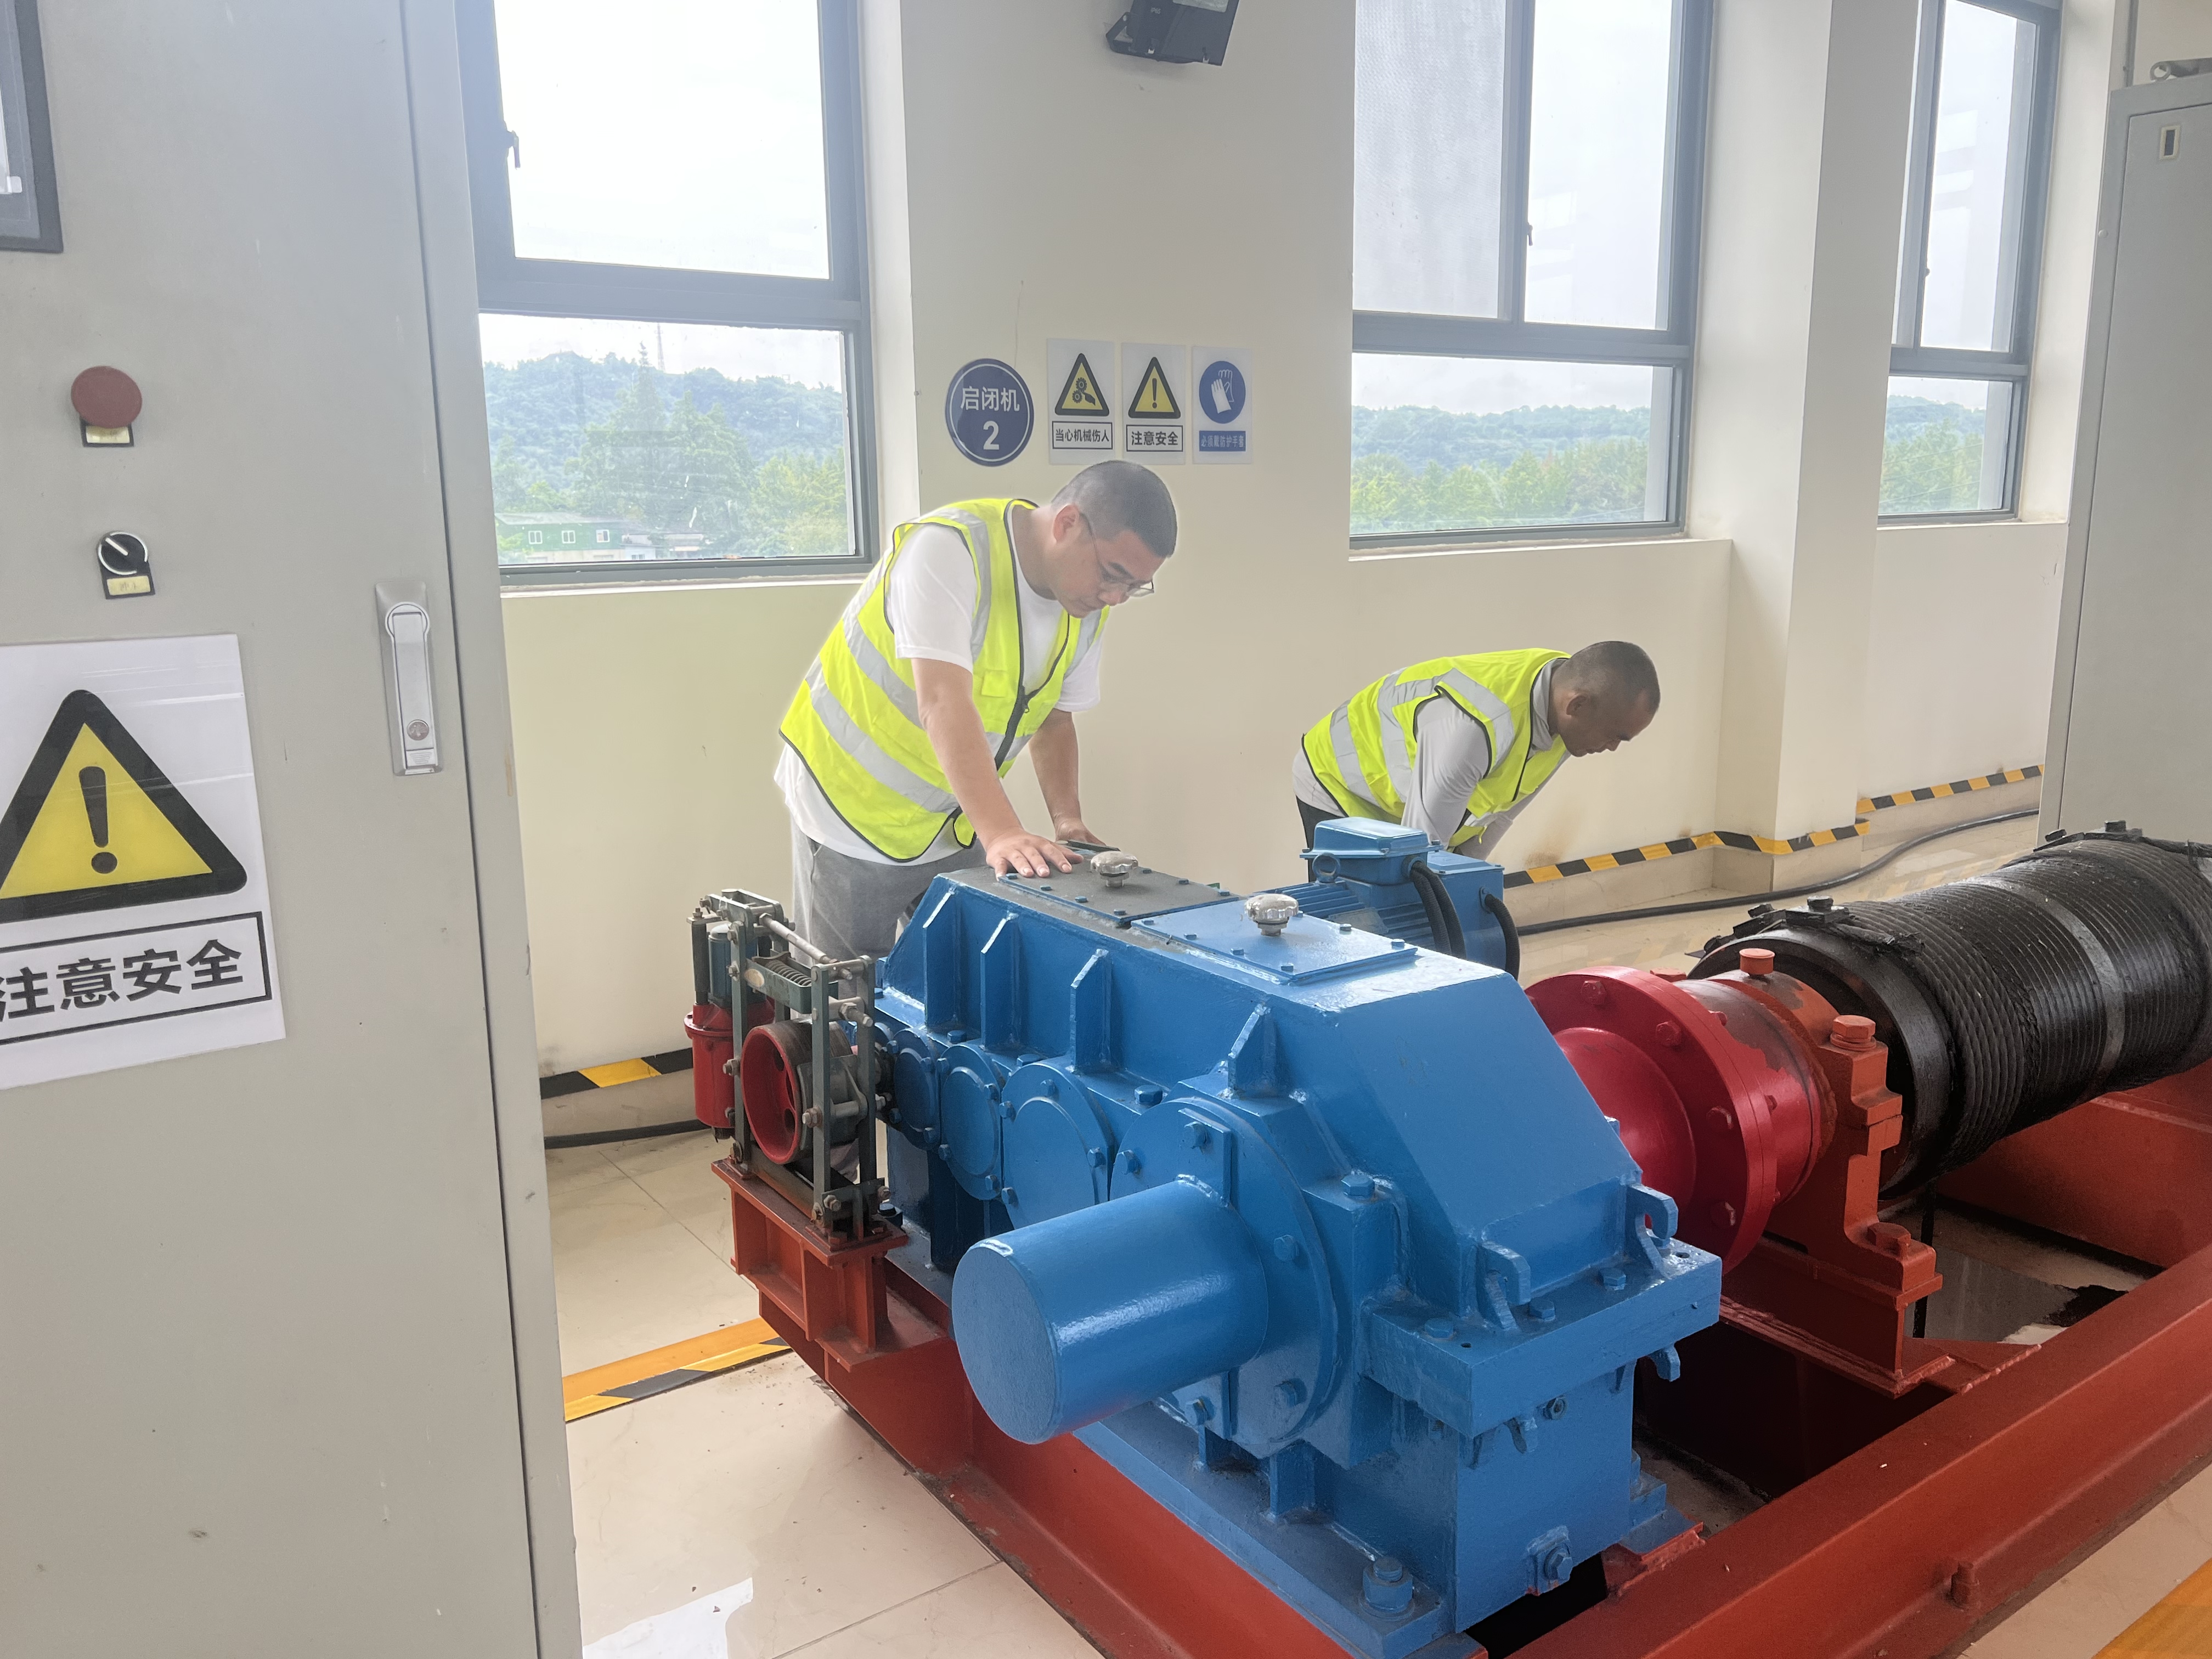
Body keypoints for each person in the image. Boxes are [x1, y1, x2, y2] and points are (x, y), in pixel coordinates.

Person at [776, 460, 1177, 960]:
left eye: (1135, 587)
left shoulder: (1085, 606)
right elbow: (942, 701)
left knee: (963, 982)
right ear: (1068, 523)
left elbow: (1054, 719)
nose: (1115, 598)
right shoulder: (948, 550)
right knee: (846, 993)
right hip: (851, 810)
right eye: (1113, 575)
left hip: (953, 819)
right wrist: (1002, 831)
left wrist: (1068, 820)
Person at [1293, 641, 1660, 859]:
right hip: (1340, 781)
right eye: (1614, 735)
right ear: (1577, 705)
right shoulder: (1474, 726)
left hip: (1407, 805)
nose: (1612, 747)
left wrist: (1469, 884)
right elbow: (1421, 850)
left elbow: (1499, 816)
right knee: (1352, 922)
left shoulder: (1565, 711)